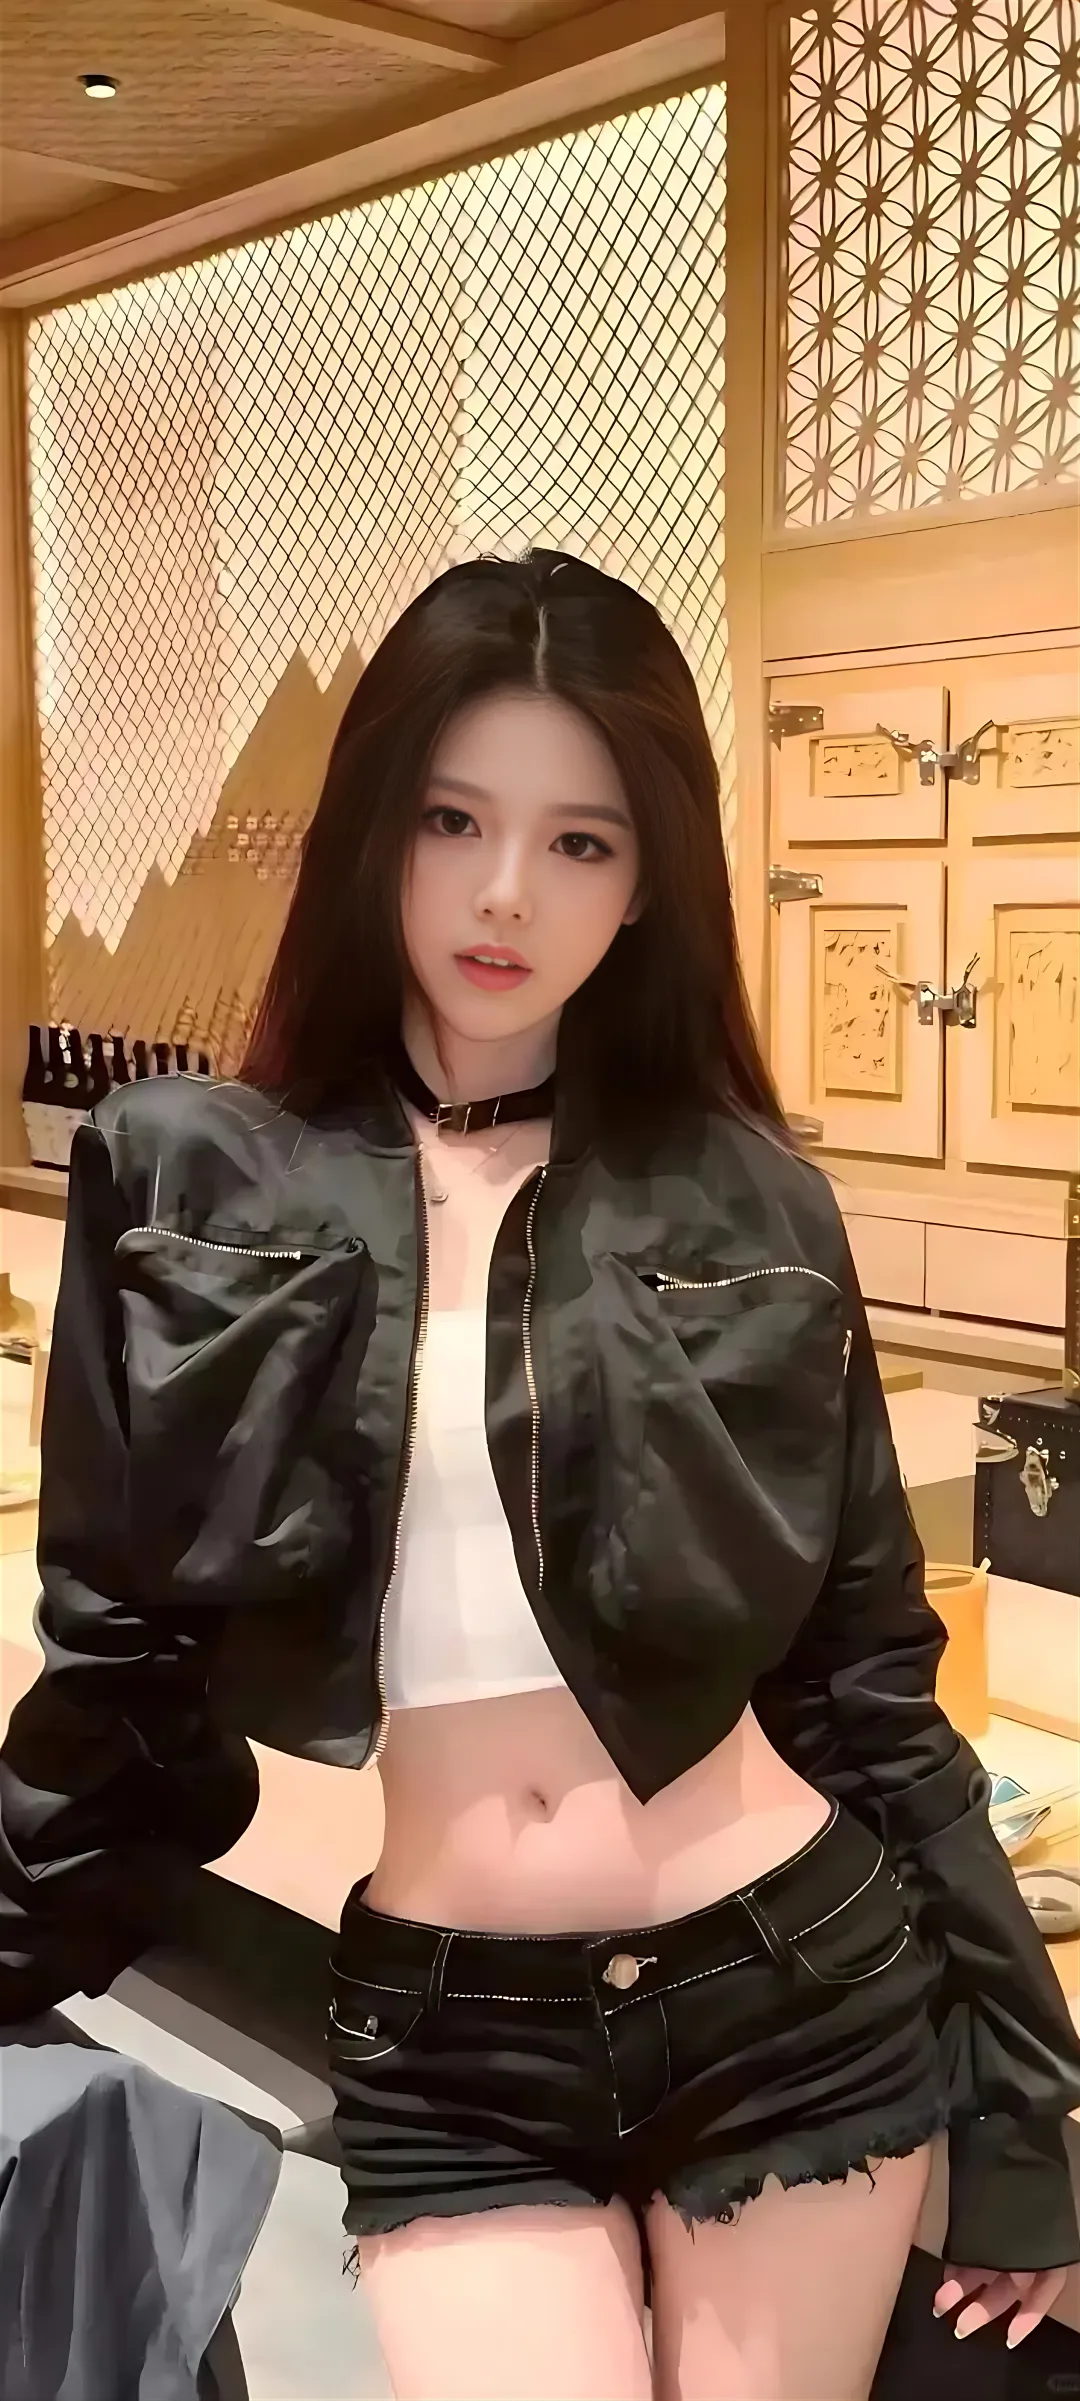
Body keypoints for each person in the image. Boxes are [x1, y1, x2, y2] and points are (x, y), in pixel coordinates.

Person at [1, 551, 1078, 2401]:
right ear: (373, 832)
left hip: (792, 1995)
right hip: (452, 2041)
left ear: (649, 879)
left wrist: (1029, 2104)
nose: (506, 891)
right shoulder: (191, 1182)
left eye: (581, 841)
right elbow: (116, 1654)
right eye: (453, 819)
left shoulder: (746, 1200)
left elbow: (869, 1692)